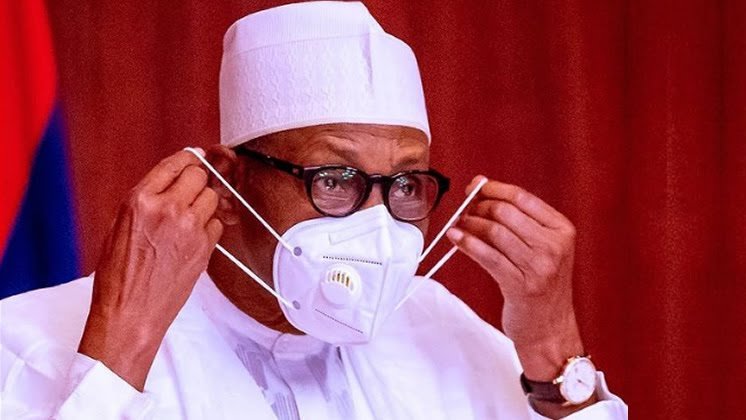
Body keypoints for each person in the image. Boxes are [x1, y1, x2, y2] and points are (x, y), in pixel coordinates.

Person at [0, 2, 628, 419]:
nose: (377, 224)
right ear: (227, 182)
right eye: (335, 179)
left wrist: (552, 348)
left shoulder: (440, 327)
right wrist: (122, 350)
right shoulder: (28, 338)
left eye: (406, 184)